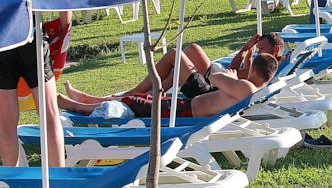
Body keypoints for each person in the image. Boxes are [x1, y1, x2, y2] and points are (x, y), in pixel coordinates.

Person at [57, 49, 279, 119]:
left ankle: (75, 106)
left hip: (186, 112)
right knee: (141, 99)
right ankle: (85, 100)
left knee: (132, 102)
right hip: (187, 107)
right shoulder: (257, 91)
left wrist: (230, 77)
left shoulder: (246, 88)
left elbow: (214, 78)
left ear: (253, 70)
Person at [0, 21, 65, 167]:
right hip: (30, 32)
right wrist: (64, 26)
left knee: (6, 122)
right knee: (49, 115)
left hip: (4, 37)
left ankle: (11, 179)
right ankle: (60, 180)